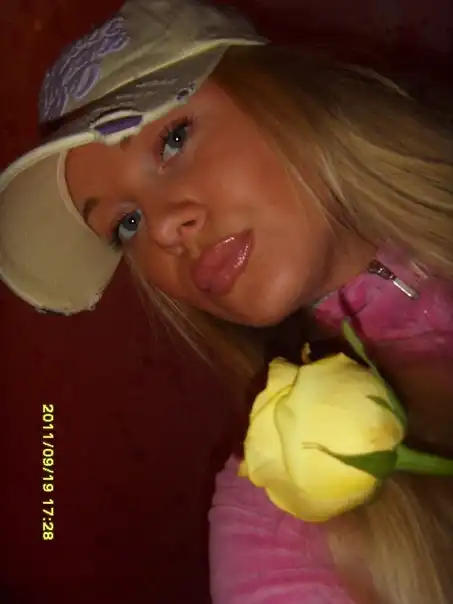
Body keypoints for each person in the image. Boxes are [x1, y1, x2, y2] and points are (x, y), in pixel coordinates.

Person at [1, 1, 453, 602]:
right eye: (127, 223)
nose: (164, 229)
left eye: (173, 140)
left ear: (282, 92)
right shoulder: (274, 508)